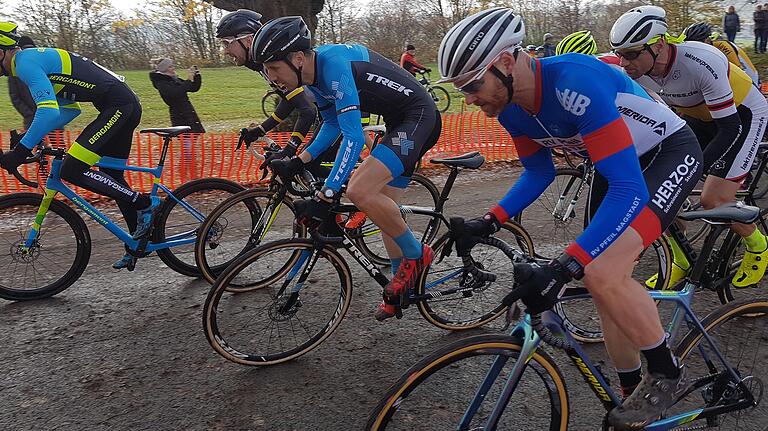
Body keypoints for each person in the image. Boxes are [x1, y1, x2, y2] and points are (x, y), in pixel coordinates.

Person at [439, 8, 702, 429]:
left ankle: (666, 372)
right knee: (601, 286)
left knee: (601, 271)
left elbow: (629, 189)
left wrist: (564, 266)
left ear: (506, 61)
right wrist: (489, 220)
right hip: (618, 165)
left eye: (473, 84)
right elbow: (539, 170)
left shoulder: (575, 81)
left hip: (667, 155)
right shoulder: (509, 108)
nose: (469, 97)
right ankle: (631, 391)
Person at [253, 16, 442, 321]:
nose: (271, 77)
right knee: (385, 211)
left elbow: (354, 137)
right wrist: (298, 160)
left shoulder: (334, 66)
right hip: (400, 122)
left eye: (274, 68)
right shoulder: (313, 79)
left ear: (298, 58)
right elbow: (330, 125)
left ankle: (418, 255)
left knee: (358, 190)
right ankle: (400, 284)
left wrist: (328, 192)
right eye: (267, 70)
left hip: (419, 117)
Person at [611, 6, 768, 292]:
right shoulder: (636, 73)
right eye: (620, 53)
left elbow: (729, 128)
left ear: (659, 44)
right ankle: (681, 260)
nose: (624, 62)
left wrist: (693, 169)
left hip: (741, 115)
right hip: (696, 116)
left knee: (713, 200)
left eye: (632, 53)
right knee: (661, 194)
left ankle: (758, 244)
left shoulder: (699, 60)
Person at [0, 22, 159, 271]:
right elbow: (67, 110)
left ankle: (144, 202)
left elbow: (48, 113)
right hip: (120, 105)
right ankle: (137, 243)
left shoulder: (26, 64)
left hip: (118, 107)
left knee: (72, 170)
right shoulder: (32, 61)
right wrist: (28, 139)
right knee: (112, 177)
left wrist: (21, 151)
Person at [149, 57, 205, 179]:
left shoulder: (173, 79)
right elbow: (175, 93)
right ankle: (187, 176)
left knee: (190, 149)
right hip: (180, 118)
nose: (173, 68)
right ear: (164, 70)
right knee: (188, 150)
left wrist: (196, 76)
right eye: (170, 67)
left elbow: (193, 87)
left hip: (189, 116)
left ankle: (190, 175)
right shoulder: (162, 83)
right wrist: (188, 80)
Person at [684, 22, 759, 85]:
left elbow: (738, 68)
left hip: (748, 76)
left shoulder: (722, 45)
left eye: (697, 44)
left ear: (707, 40)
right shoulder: (708, 48)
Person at [7, 35, 36, 130]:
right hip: (32, 117)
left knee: (57, 142)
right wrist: (28, 113)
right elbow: (15, 96)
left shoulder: (43, 65)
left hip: (50, 115)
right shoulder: (14, 70)